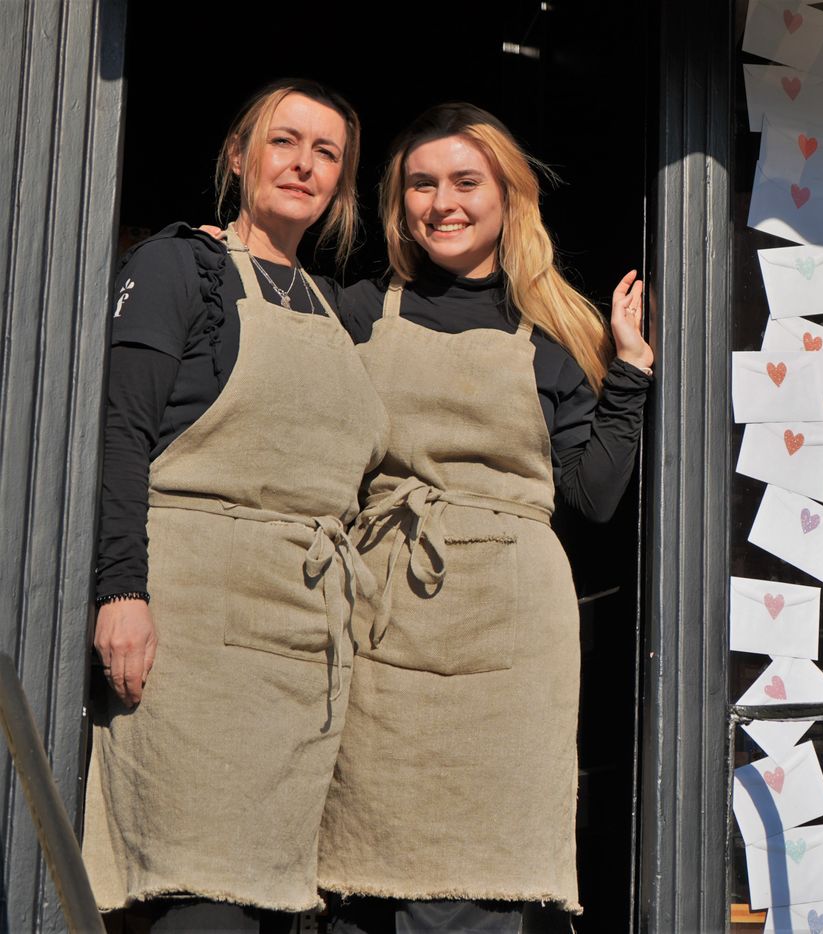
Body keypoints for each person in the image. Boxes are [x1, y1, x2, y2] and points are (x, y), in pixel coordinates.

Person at [318, 103, 652, 931]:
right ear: (400, 205)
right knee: (363, 870)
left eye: (466, 182)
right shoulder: (356, 313)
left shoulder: (552, 335)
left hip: (510, 642)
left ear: (509, 198)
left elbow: (592, 497)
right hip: (382, 622)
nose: (443, 202)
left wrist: (632, 372)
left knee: (477, 885)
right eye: (421, 185)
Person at [83, 80, 387, 931]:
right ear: (238, 156)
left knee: (272, 902)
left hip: (301, 657)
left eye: (327, 153)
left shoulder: (338, 307)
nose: (303, 164)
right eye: (284, 141)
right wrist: (121, 593)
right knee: (200, 895)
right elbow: (122, 437)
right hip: (197, 637)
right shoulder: (183, 266)